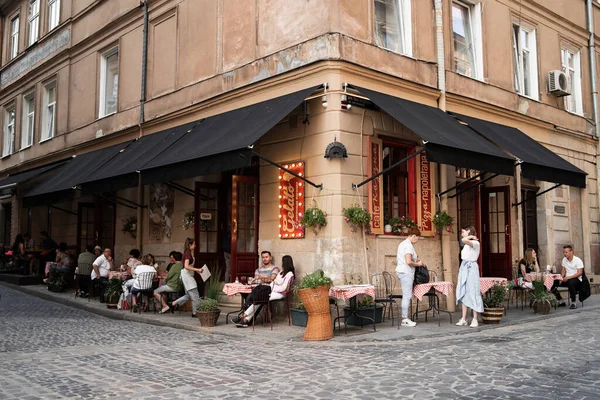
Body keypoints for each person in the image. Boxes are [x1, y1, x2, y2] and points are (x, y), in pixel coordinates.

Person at [233, 255, 294, 328]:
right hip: (272, 291)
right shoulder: (281, 272)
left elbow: (284, 287)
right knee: (259, 299)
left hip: (280, 293)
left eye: (282, 262)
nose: (282, 263)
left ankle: (243, 317)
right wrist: (269, 288)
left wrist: (275, 284)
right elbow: (273, 283)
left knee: (260, 299)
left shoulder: (290, 274)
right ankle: (245, 319)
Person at [456, 226, 484, 328]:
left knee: (473, 291)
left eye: (463, 231)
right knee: (463, 291)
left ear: (468, 231)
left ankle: (475, 319)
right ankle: (464, 318)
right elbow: (463, 240)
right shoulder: (466, 245)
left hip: (471, 268)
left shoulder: (475, 243)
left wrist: (471, 236)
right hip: (464, 267)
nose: (462, 233)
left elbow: (463, 240)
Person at [395, 227, 423, 327]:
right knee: (407, 296)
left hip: (402, 271)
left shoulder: (402, 244)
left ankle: (405, 318)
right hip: (406, 272)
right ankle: (404, 319)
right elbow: (408, 261)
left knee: (406, 295)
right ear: (414, 236)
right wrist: (418, 264)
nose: (416, 241)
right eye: (417, 238)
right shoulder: (408, 246)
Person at [172, 238, 204, 317]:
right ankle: (195, 313)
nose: (195, 245)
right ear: (190, 245)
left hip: (186, 275)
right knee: (195, 294)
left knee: (189, 295)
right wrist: (197, 269)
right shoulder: (187, 254)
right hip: (187, 276)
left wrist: (196, 270)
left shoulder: (188, 253)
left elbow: (188, 266)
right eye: (194, 244)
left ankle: (174, 303)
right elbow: (186, 266)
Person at [552, 245, 584, 309]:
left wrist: (569, 277)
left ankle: (573, 303)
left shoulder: (577, 260)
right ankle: (561, 301)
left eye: (566, 252)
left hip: (577, 279)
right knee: (552, 284)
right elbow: (563, 270)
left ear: (571, 252)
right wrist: (560, 277)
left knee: (571, 282)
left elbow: (580, 273)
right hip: (567, 279)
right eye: (564, 252)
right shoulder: (564, 259)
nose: (565, 254)